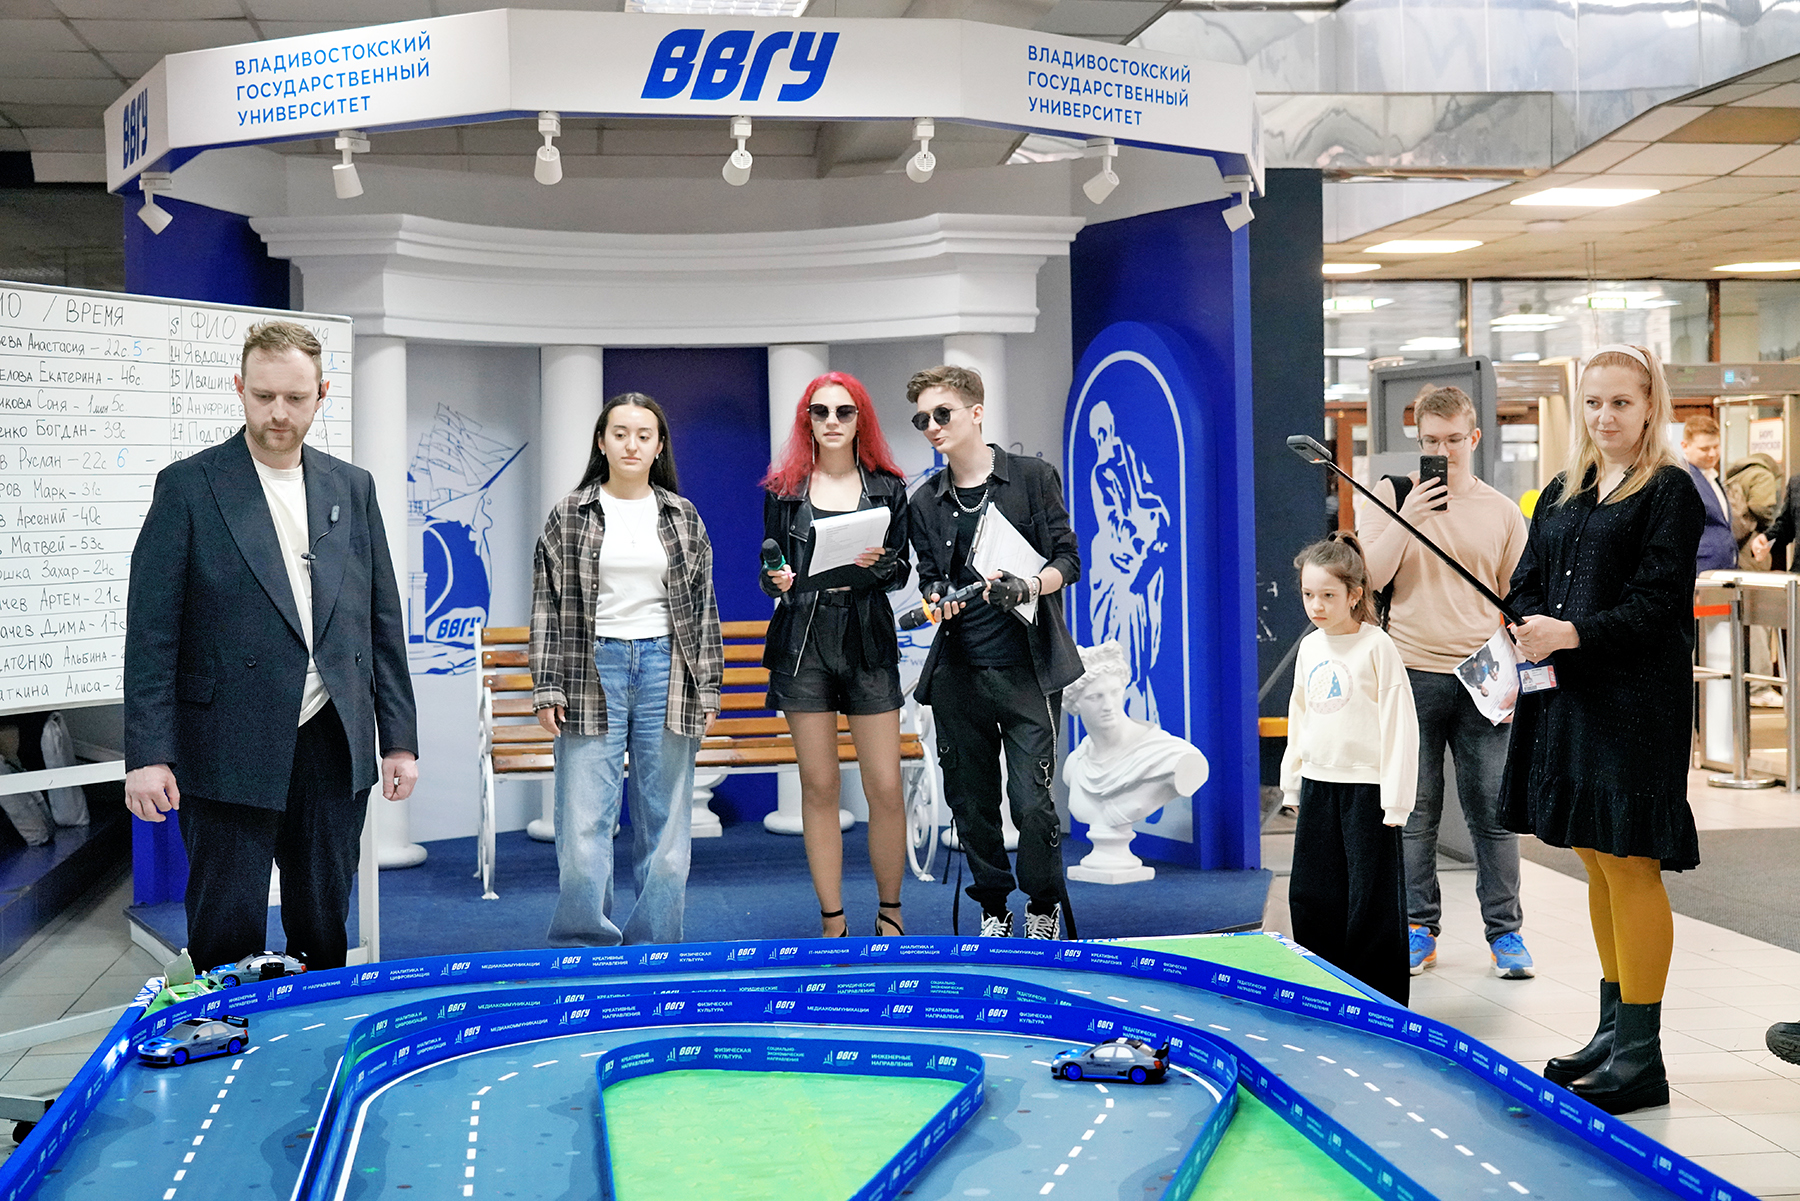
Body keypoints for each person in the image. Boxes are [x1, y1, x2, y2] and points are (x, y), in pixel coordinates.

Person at [123, 320, 418, 973]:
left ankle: (316, 1031)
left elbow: (380, 619)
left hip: (331, 737)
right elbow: (151, 630)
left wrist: (398, 738)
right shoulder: (190, 486)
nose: (278, 413)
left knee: (322, 923)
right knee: (225, 929)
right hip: (226, 739)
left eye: (295, 397)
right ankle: (224, 1036)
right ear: (240, 388)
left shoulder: (352, 487)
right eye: (263, 396)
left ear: (322, 395)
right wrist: (147, 753)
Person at [1504, 343, 1704, 1116]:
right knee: (1594, 854)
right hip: (1569, 696)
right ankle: (1613, 1032)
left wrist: (1572, 632)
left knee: (1629, 859)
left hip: (1636, 702)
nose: (1605, 416)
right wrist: (1524, 624)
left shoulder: (1670, 490)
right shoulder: (1564, 489)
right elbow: (1529, 580)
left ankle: (1642, 1056)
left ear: (1651, 405)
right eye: (1593, 402)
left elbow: (1658, 603)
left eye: (1621, 401)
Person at [530, 393, 723, 947]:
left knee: (666, 821)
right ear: (602, 442)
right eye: (620, 433)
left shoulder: (683, 516)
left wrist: (708, 686)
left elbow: (704, 608)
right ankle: (585, 943)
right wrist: (547, 686)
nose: (631, 444)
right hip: (591, 669)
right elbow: (545, 605)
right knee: (584, 818)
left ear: (659, 446)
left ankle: (655, 946)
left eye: (644, 435)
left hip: (667, 669)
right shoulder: (570, 514)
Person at [1360, 385, 1532, 981]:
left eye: (1455, 439)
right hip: (1410, 670)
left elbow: (1516, 598)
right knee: (1414, 813)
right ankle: (1417, 928)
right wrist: (1408, 518)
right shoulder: (1390, 496)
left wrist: (1518, 675)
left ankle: (1506, 934)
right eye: (1431, 440)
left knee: (1494, 813)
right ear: (1418, 439)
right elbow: (1370, 578)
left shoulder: (1502, 512)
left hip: (1482, 677)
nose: (1444, 450)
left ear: (1474, 437)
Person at [906, 364, 1083, 940]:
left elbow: (1068, 561)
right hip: (959, 672)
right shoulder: (924, 501)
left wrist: (1029, 586)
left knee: (1031, 802)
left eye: (942, 413)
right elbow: (929, 575)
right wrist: (937, 597)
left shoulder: (1032, 478)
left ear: (976, 412)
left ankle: (1042, 906)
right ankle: (993, 910)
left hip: (1028, 667)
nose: (932, 427)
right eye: (922, 420)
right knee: (970, 802)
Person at [760, 372, 912, 937]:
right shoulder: (784, 490)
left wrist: (884, 566)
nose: (831, 421)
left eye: (843, 411)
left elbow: (902, 570)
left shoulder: (889, 487)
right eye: (819, 411)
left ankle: (891, 915)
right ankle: (833, 922)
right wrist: (776, 580)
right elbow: (769, 570)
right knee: (819, 785)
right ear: (807, 419)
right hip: (804, 639)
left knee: (885, 786)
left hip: (867, 635)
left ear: (859, 418)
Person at [1280, 533, 1418, 1007]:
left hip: (1368, 790)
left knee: (1371, 901)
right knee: (1312, 895)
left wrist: (1396, 800)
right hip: (1319, 785)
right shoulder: (1310, 647)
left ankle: (1378, 1003)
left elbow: (1399, 725)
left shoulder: (1377, 646)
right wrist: (1292, 783)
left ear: (1355, 595)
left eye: (1328, 595)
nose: (1316, 606)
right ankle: (1323, 992)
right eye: (1308, 594)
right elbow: (1300, 716)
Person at [1680, 415, 1742, 574]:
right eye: (1705, 449)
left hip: (1724, 569)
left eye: (1716, 446)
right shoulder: (1682, 480)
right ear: (1685, 446)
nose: (1712, 454)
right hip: (1699, 571)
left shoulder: (1712, 477)